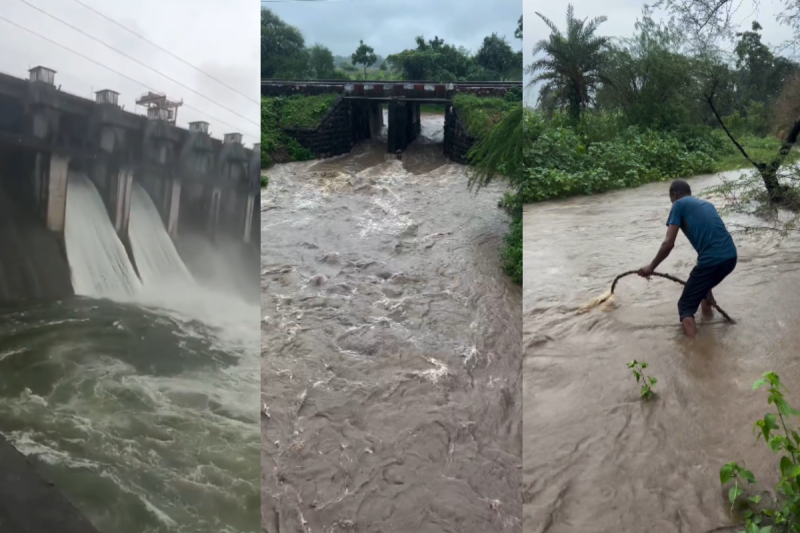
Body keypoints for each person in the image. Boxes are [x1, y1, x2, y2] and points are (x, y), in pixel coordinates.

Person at [638, 179, 737, 338]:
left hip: (712, 260)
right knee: (703, 293)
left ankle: (695, 350)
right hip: (731, 256)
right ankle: (709, 329)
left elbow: (668, 244)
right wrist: (708, 291)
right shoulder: (707, 205)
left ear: (675, 195)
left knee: (685, 306)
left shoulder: (678, 205)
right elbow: (710, 247)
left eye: (671, 200)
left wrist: (651, 267)